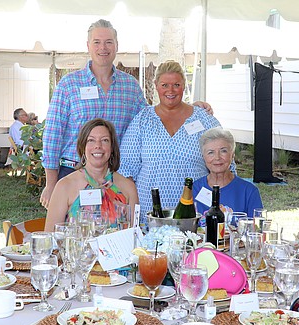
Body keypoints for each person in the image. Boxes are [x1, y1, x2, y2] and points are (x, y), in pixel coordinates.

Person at [40, 19, 148, 209]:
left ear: (116, 46)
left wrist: (190, 108)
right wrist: (51, 183)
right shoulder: (69, 85)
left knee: (113, 234)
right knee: (72, 234)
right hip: (72, 173)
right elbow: (52, 134)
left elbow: (149, 121)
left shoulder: (130, 87)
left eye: (108, 42)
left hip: (114, 177)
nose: (103, 48)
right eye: (97, 42)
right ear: (88, 46)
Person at [119, 60, 221, 222]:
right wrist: (132, 213)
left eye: (176, 85)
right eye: (165, 85)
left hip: (195, 212)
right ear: (156, 85)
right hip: (151, 213)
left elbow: (224, 163)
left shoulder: (204, 120)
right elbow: (126, 170)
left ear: (184, 85)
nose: (171, 90)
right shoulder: (143, 120)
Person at [45, 118, 138, 229]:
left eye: (105, 140)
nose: (98, 146)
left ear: (112, 148)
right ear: (83, 146)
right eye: (91, 140)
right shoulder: (64, 186)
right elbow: (50, 235)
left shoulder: (128, 187)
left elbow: (135, 235)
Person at [192, 127, 262, 217]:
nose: (217, 157)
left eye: (223, 151)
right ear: (203, 157)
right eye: (210, 152)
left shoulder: (248, 191)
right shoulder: (194, 189)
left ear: (232, 155)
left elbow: (257, 228)